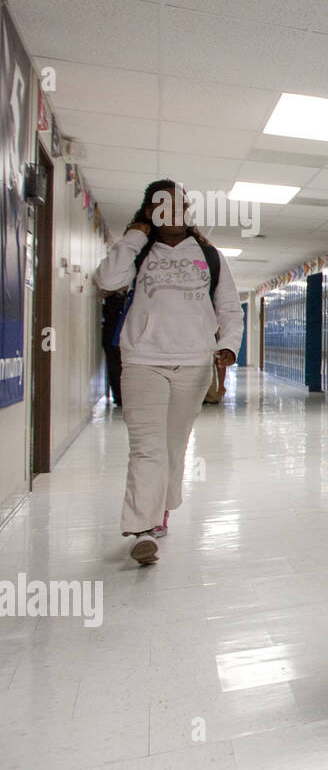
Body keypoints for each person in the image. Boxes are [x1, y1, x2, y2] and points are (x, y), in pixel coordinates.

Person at [93, 180, 243, 565]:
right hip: (142, 358)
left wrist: (228, 344)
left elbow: (229, 307)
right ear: (150, 211)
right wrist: (133, 236)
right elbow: (107, 281)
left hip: (193, 361)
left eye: (180, 205)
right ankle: (142, 529)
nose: (173, 212)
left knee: (174, 445)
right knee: (147, 447)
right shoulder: (138, 252)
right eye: (162, 207)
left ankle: (160, 505)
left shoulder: (209, 255)